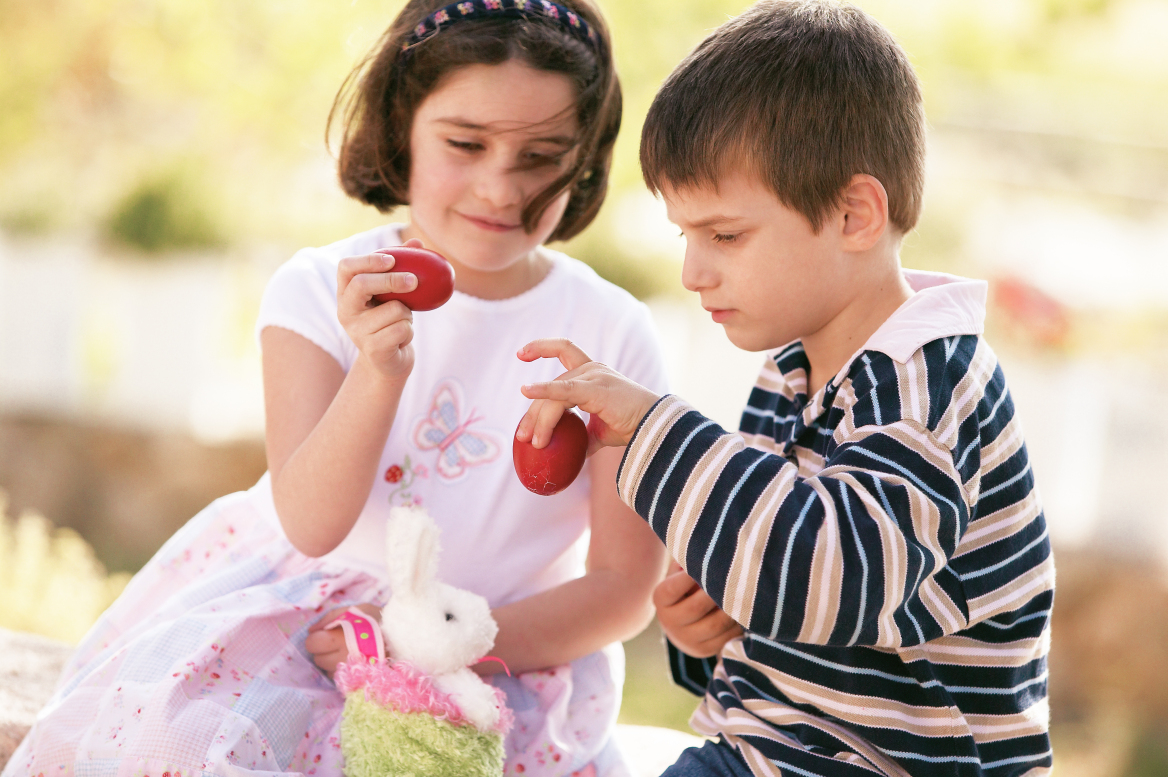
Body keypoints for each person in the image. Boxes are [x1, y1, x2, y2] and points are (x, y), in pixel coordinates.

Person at [4, 2, 669, 776]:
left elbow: (624, 588)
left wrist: (427, 644)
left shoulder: (613, 331)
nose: (499, 186)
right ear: (401, 127)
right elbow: (311, 523)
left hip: (499, 651)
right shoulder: (319, 290)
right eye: (465, 143)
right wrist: (377, 371)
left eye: (542, 154)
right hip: (303, 630)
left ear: (585, 156)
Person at [516, 2, 1055, 775]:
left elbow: (840, 577)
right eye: (687, 235)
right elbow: (787, 580)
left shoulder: (928, 385)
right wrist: (721, 625)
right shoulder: (794, 370)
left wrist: (650, 427)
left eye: (725, 235)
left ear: (853, 213)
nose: (694, 271)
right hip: (781, 747)